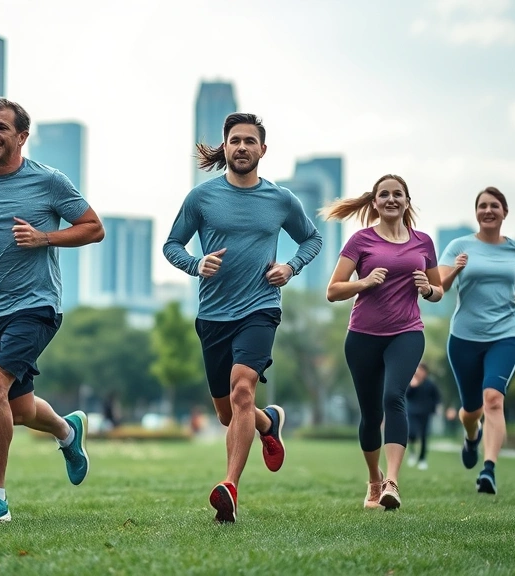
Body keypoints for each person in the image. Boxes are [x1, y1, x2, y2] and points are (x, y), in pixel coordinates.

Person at [0, 97, 105, 523]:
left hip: (37, 305)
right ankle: (67, 431)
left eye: (1, 128)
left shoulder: (49, 182)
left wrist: (44, 238)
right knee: (16, 409)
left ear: (21, 136)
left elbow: (94, 228)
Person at [163, 112, 323, 523]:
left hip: (260, 308)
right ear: (226, 146)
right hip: (213, 315)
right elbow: (171, 245)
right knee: (227, 413)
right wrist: (196, 265)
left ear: (262, 150)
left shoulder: (281, 200)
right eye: (235, 140)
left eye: (250, 141)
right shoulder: (201, 198)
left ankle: (229, 487)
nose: (242, 147)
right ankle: (269, 424)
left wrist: (290, 268)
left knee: (241, 393)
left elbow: (313, 238)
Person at [323, 174, 442, 510]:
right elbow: (333, 290)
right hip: (362, 337)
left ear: (407, 201)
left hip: (407, 332)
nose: (391, 199)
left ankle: (392, 482)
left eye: (398, 194)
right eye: (384, 195)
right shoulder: (360, 241)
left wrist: (428, 289)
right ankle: (374, 480)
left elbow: (437, 291)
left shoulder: (423, 242)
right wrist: (365, 283)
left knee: (394, 397)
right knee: (371, 413)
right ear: (374, 203)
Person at [438, 186, 515, 495]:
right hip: (464, 338)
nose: (488, 210)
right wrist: (456, 269)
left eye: (494, 205)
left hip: (505, 335)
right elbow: (437, 286)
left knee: (494, 399)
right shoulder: (458, 246)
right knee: (470, 411)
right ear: (476, 212)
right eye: (482, 205)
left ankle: (489, 470)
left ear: (504, 212)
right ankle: (471, 437)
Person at [406, 362, 441, 470]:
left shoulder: (430, 384)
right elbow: (407, 395)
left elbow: (437, 398)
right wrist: (412, 386)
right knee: (411, 434)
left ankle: (422, 459)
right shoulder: (411, 382)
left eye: (421, 371)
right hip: (412, 412)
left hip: (425, 413)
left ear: (425, 372)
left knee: (424, 436)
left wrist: (435, 409)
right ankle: (412, 454)